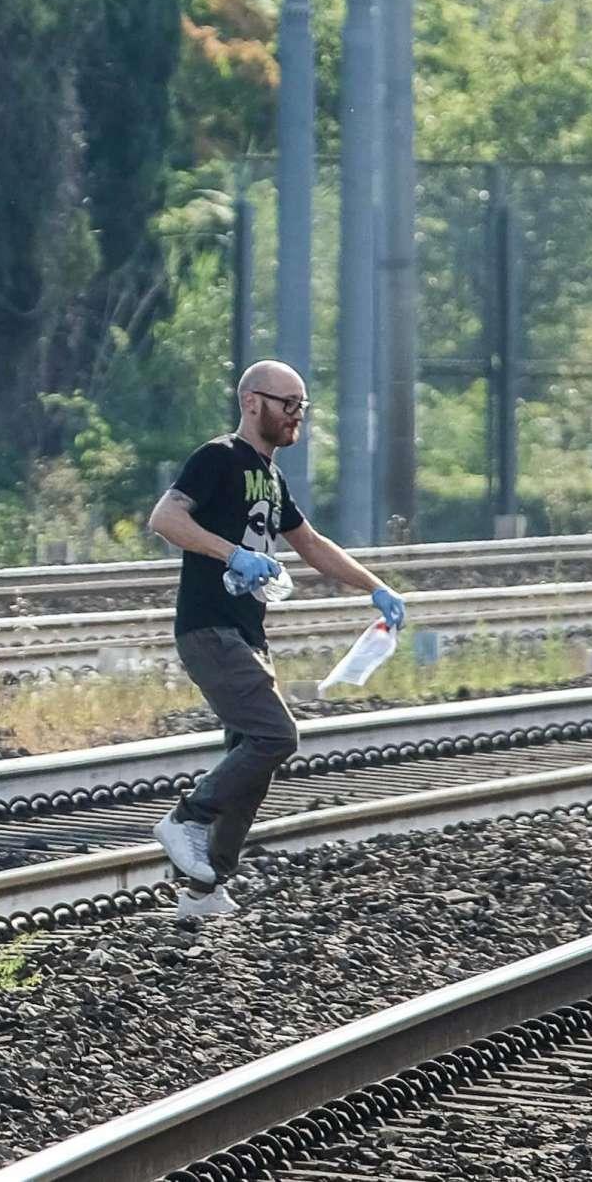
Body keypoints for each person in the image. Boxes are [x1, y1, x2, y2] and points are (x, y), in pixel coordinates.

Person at [146, 359, 407, 917]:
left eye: (302, 406)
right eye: (288, 404)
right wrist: (233, 552)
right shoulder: (219, 458)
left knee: (251, 759)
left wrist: (374, 586)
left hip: (245, 632)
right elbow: (166, 519)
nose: (297, 416)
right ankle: (185, 820)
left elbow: (309, 542)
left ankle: (206, 889)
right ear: (251, 402)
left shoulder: (271, 475)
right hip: (209, 628)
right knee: (275, 736)